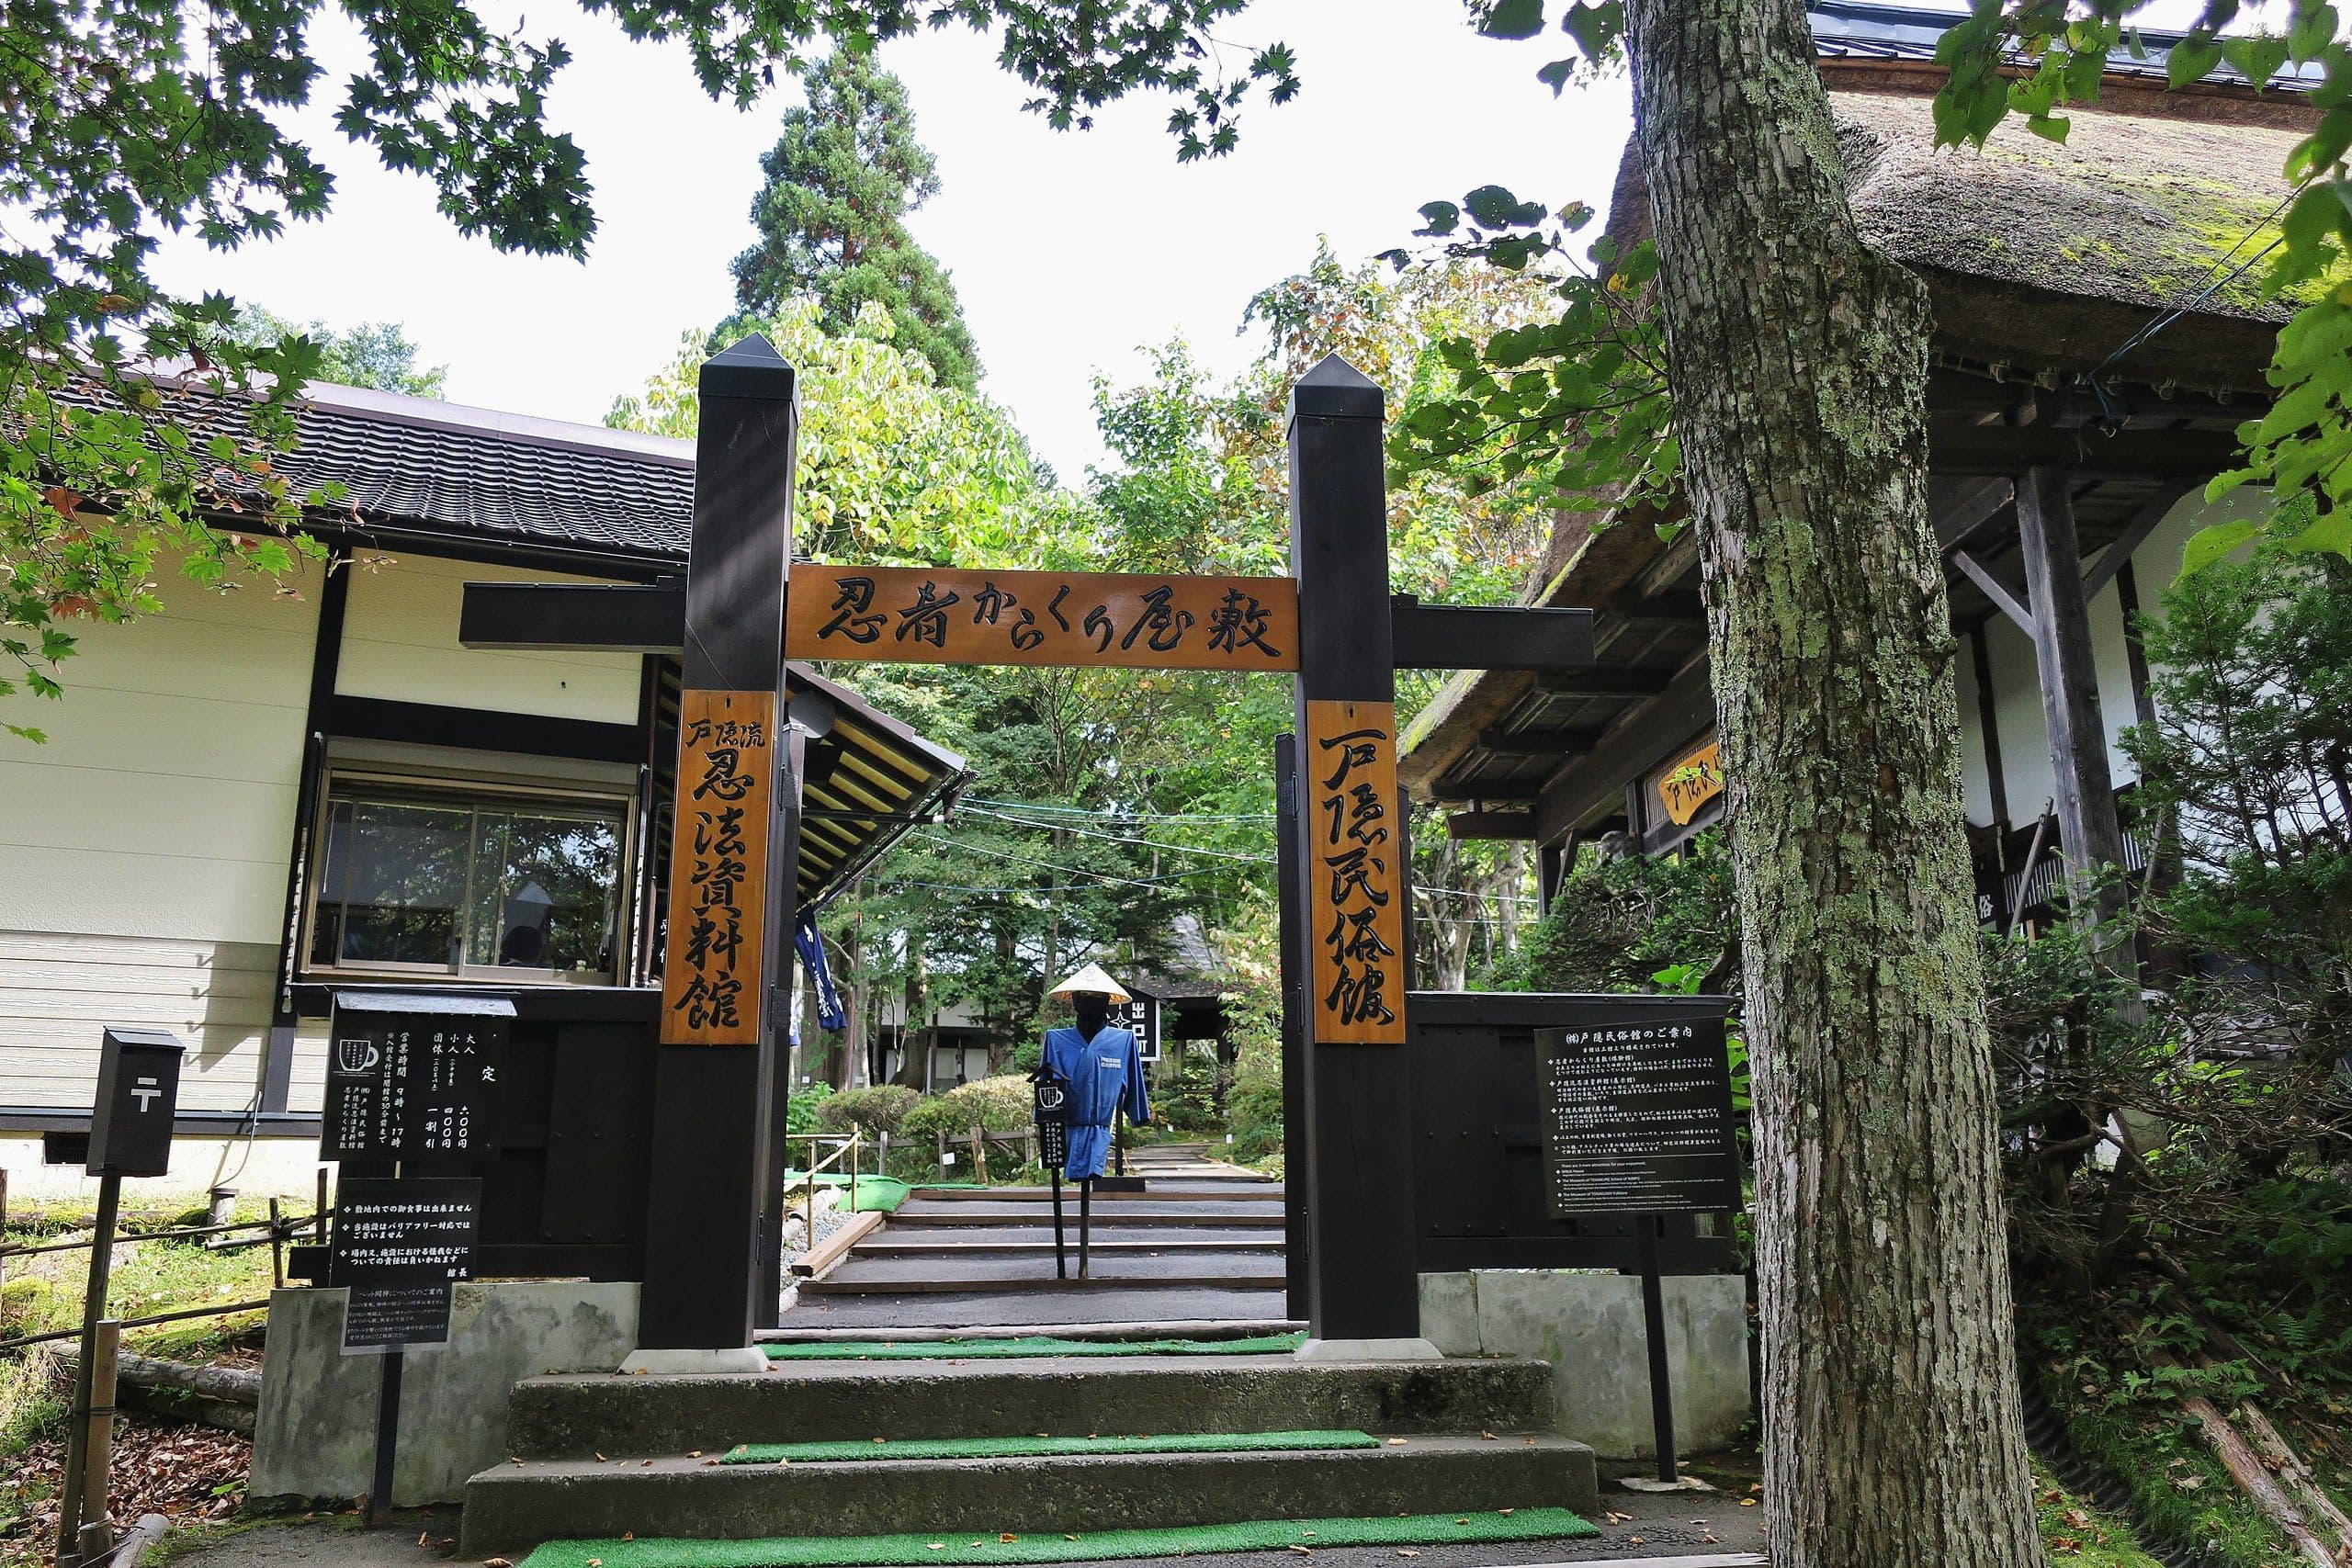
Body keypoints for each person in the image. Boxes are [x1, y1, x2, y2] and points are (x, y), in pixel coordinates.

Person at [1037, 964, 1149, 1182]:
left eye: (1097, 997)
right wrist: (1044, 1117)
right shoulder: (1056, 1040)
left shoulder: (1123, 1041)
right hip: (1069, 1128)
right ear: (1075, 1002)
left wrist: (1138, 1114)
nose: (1090, 1002)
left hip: (1100, 1127)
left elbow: (1134, 1086)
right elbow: (1046, 1085)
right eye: (1084, 997)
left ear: (1107, 1002)